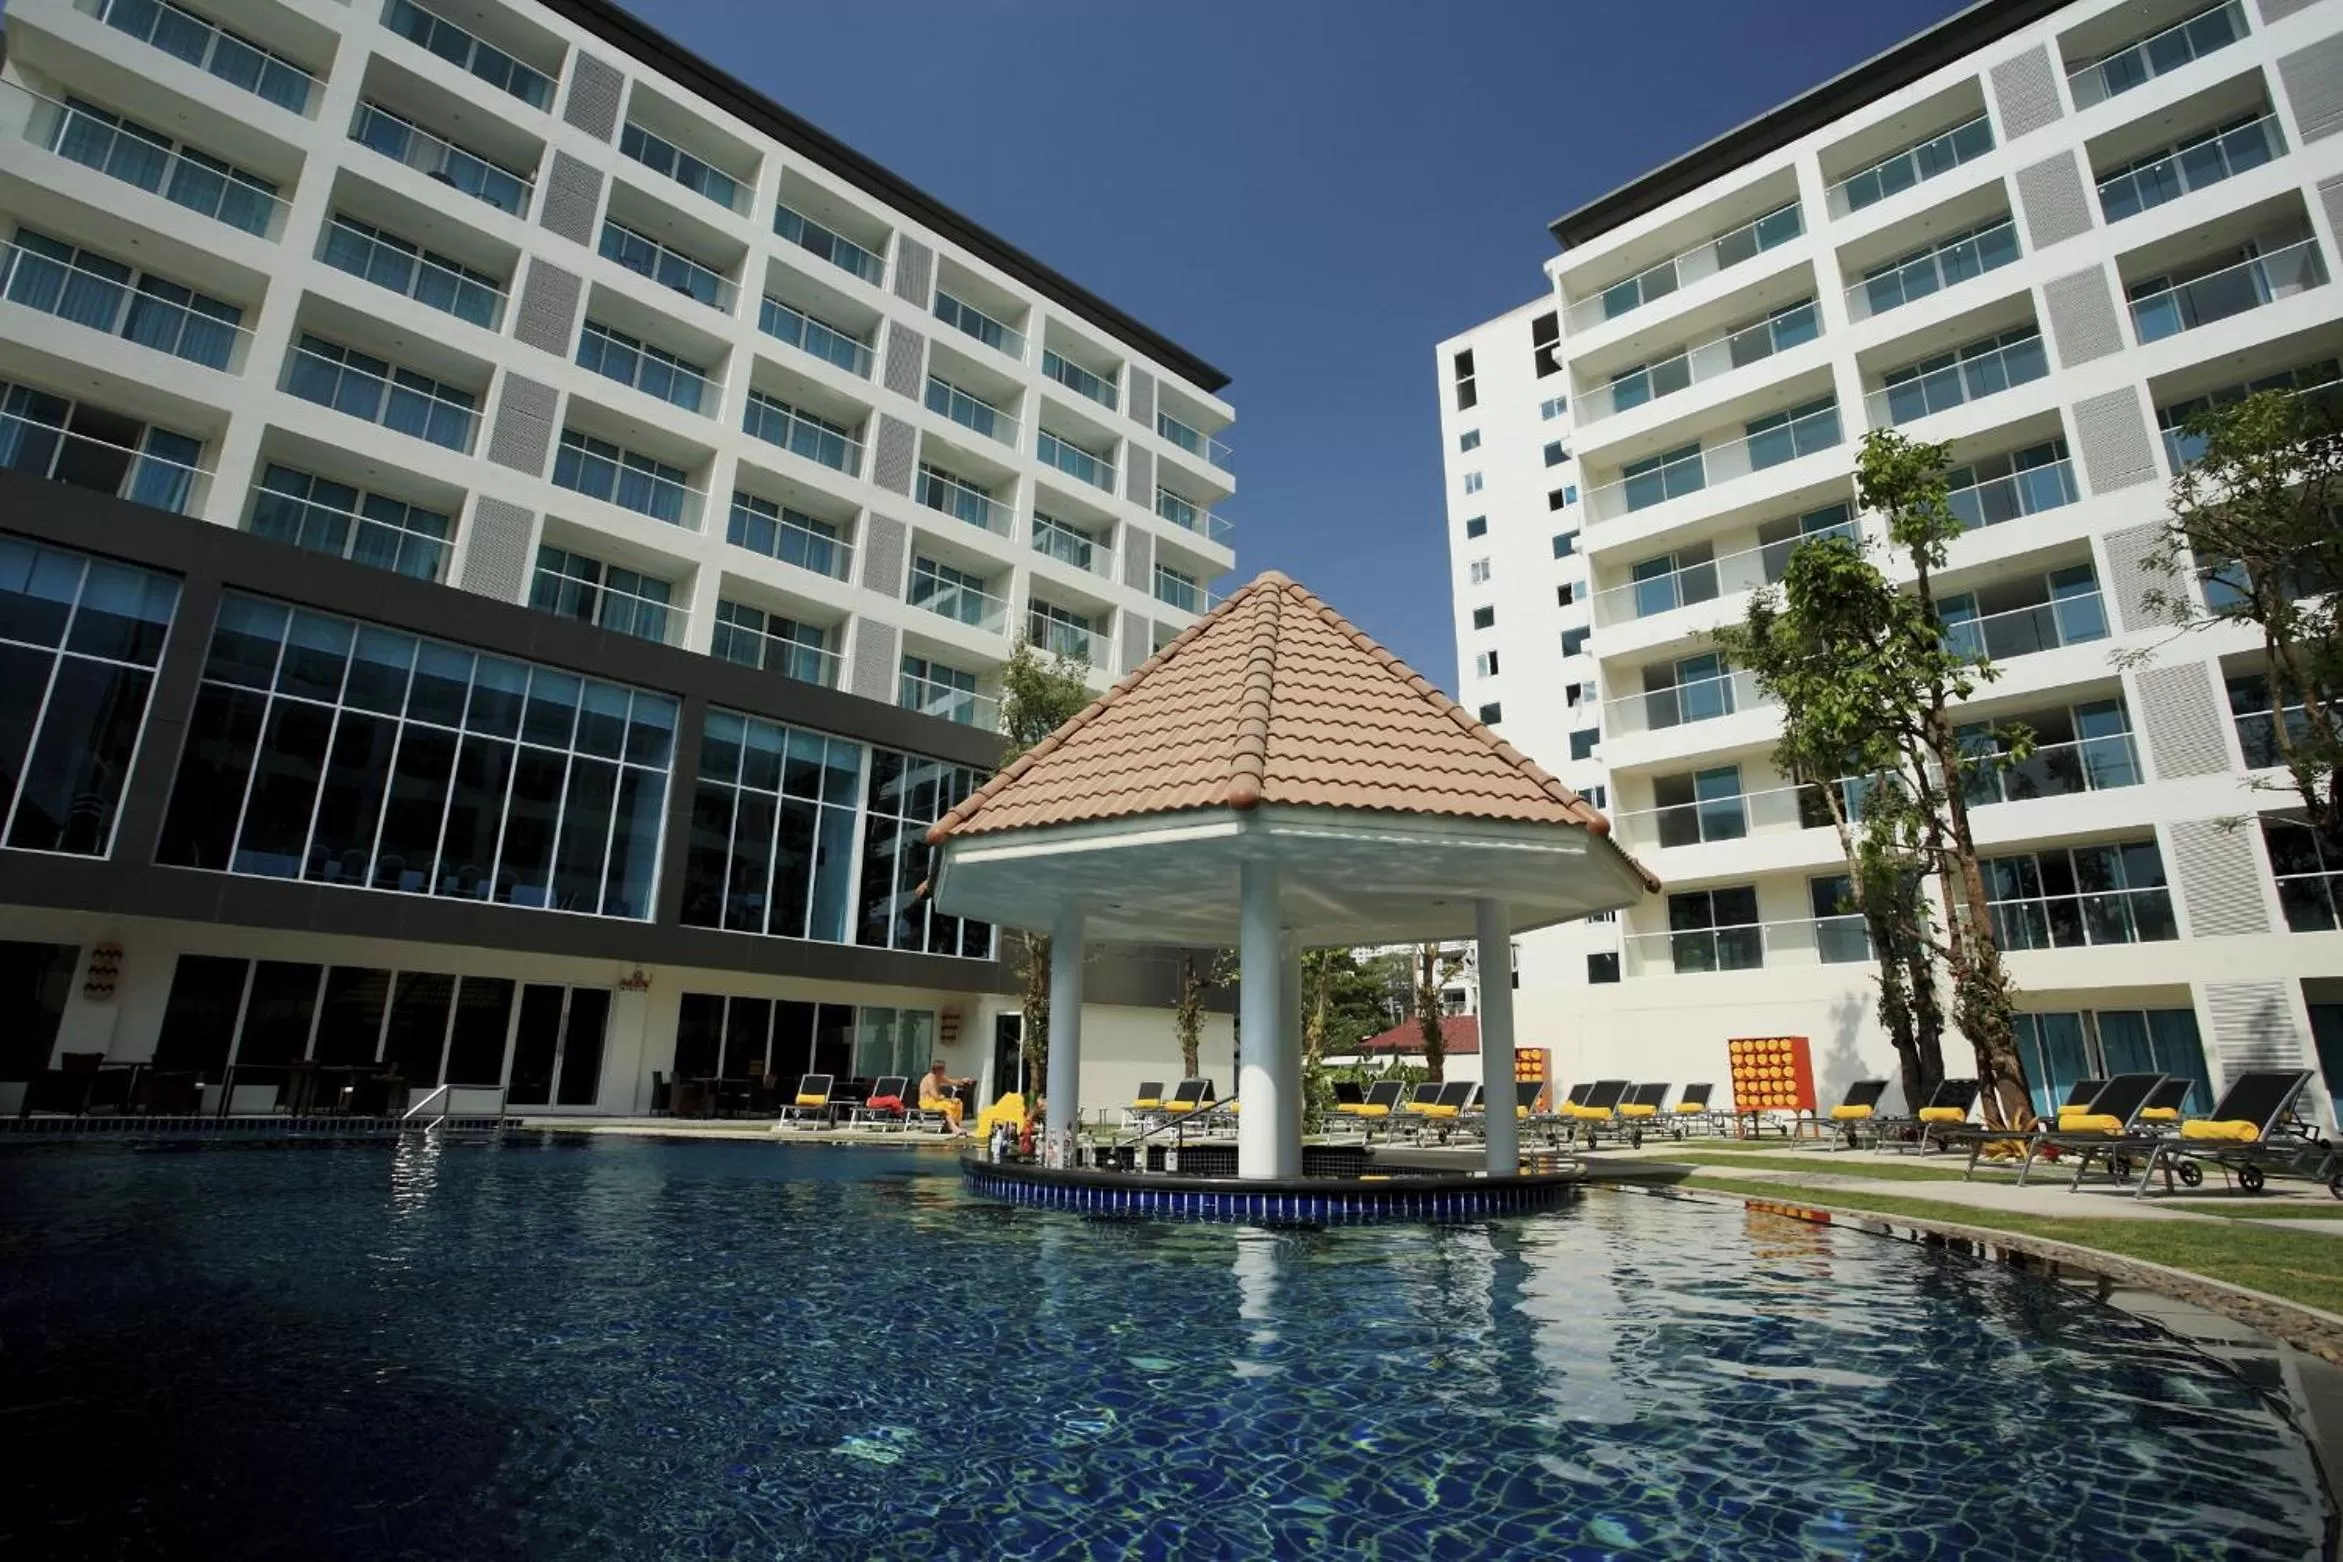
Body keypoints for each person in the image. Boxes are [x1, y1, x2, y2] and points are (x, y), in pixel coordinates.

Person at [919, 1061, 973, 1135]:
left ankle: (955, 1125)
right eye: (943, 1069)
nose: (945, 1071)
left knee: (957, 1102)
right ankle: (953, 1127)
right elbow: (935, 1096)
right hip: (927, 1103)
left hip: (936, 1101)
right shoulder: (930, 1079)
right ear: (938, 1070)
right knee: (945, 1105)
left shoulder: (939, 1076)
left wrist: (963, 1080)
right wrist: (945, 1098)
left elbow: (953, 1081)